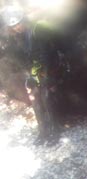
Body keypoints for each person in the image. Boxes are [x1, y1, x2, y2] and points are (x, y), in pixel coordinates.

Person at [2, 5, 64, 145]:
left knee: (46, 98)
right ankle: (43, 131)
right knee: (35, 100)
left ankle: (55, 130)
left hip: (48, 68)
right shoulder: (17, 39)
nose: (17, 28)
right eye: (14, 26)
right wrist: (29, 75)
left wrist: (48, 76)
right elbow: (22, 59)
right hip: (34, 72)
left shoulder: (36, 32)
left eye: (18, 24)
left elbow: (47, 54)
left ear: (23, 20)